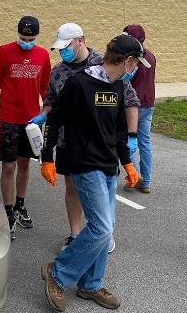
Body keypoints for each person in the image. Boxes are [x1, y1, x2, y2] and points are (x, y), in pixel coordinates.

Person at [40, 34, 149, 312]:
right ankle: (58, 273)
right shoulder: (80, 83)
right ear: (126, 60)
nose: (136, 68)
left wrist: (127, 162)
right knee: (102, 229)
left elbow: (118, 130)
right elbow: (54, 119)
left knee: (105, 228)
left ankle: (90, 285)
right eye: (136, 62)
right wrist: (46, 158)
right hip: (83, 164)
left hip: (107, 164)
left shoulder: (119, 87)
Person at [30, 23, 141, 253]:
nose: (62, 52)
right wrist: (42, 117)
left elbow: (128, 100)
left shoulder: (106, 64)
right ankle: (76, 234)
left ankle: (98, 234)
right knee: (72, 188)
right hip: (67, 142)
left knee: (99, 193)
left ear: (80, 41)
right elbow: (51, 103)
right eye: (59, 48)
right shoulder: (59, 71)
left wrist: (131, 136)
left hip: (102, 144)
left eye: (66, 46)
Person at [0, 16, 51, 240]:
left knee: (25, 164)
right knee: (8, 167)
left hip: (31, 122)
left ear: (37, 36)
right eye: (22, 37)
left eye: (30, 38)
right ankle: (8, 212)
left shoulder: (43, 55)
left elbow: (46, 87)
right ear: (17, 34)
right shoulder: (4, 51)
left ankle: (20, 205)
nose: (26, 41)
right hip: (8, 118)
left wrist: (46, 113)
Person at [122, 25, 156, 193]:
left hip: (133, 106)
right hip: (149, 102)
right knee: (144, 143)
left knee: (124, 140)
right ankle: (146, 181)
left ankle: (135, 175)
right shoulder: (151, 55)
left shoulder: (129, 57)